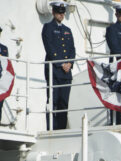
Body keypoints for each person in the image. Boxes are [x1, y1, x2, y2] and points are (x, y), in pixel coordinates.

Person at [42, 1, 76, 130]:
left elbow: (72, 49)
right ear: (53, 12)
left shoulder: (67, 30)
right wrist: (61, 63)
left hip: (66, 72)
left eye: (63, 13)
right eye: (59, 12)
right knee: (53, 101)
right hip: (54, 70)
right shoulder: (48, 27)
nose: (61, 15)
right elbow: (49, 48)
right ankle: (51, 128)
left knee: (64, 102)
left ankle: (61, 128)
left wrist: (69, 63)